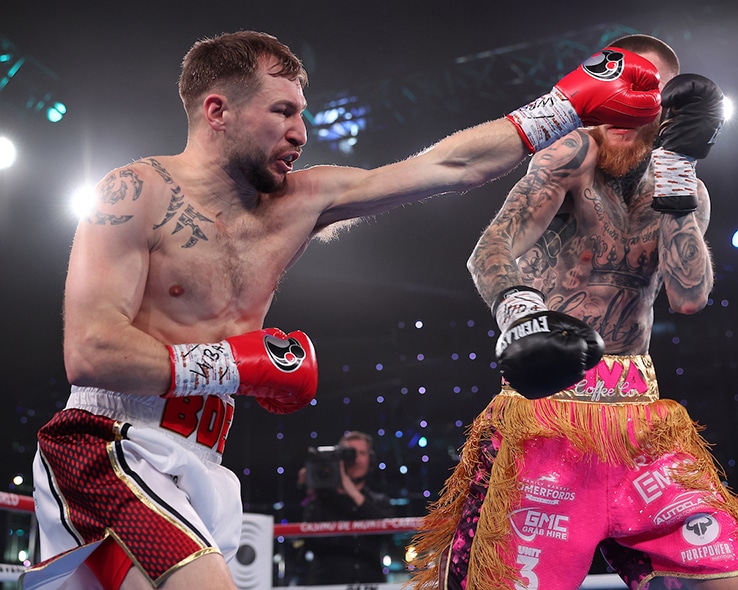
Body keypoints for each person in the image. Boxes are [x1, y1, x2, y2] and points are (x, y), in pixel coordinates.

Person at [21, 30, 663, 590]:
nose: (301, 132)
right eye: (282, 112)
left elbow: (448, 165)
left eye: (303, 113)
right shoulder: (136, 191)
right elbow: (91, 350)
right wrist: (237, 366)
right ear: (217, 110)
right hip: (109, 444)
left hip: (204, 459)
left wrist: (564, 104)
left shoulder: (301, 200)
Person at [408, 34, 738, 590]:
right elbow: (491, 250)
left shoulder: (687, 189)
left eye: (645, 91)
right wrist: (523, 315)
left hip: (642, 419)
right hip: (549, 413)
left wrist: (679, 177)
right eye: (618, 86)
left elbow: (689, 295)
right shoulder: (571, 154)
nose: (623, 103)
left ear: (670, 110)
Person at [297, 431, 394, 584]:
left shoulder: (379, 501)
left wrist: (352, 492)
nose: (356, 459)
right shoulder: (321, 500)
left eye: (362, 453)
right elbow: (307, 544)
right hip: (328, 584)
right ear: (339, 458)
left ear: (371, 458)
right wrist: (311, 493)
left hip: (371, 583)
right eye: (350, 453)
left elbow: (388, 534)